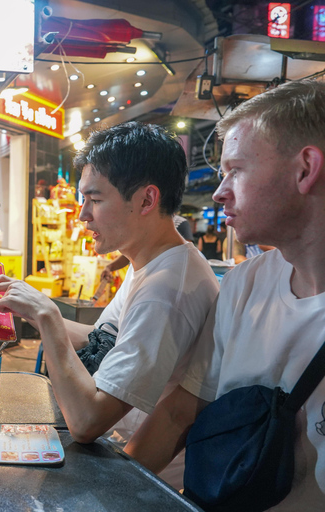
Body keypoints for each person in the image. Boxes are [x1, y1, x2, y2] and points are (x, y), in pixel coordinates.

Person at [125, 80, 325, 508]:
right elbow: (183, 411)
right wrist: (105, 491)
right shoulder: (243, 285)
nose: (219, 192)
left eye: (236, 170)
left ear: (305, 169)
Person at [0, 122, 219, 484]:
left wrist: (47, 317)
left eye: (95, 200)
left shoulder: (167, 290)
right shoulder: (153, 264)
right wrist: (30, 308)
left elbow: (87, 421)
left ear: (146, 200)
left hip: (143, 480)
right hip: (117, 452)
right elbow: (103, 337)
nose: (83, 215)